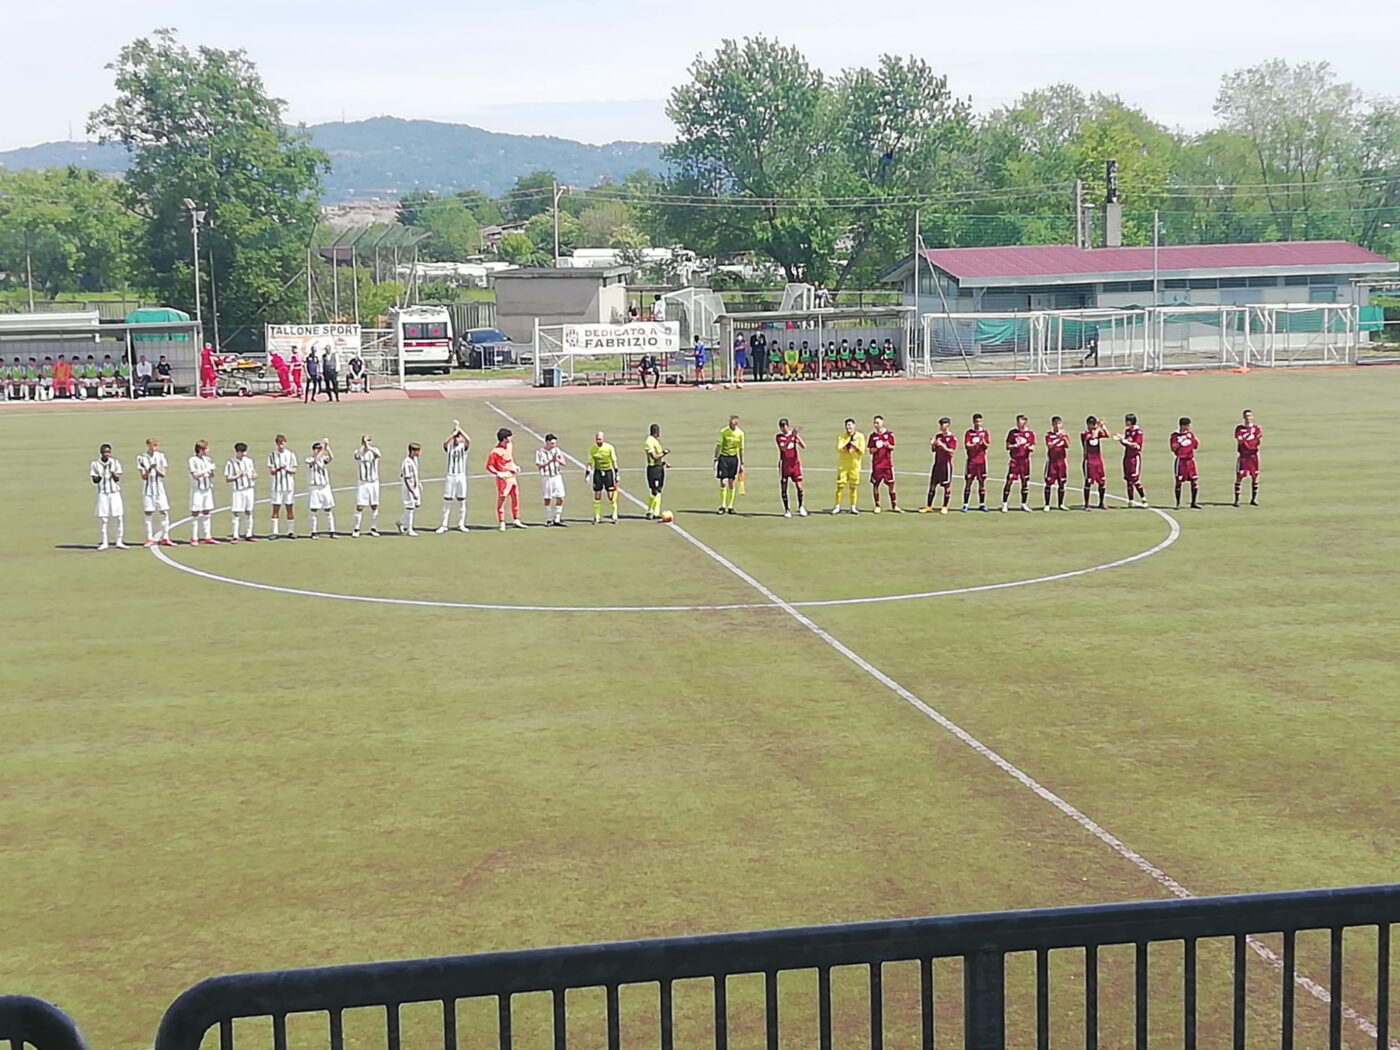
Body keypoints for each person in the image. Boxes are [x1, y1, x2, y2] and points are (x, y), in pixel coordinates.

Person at [485, 428, 526, 532]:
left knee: (515, 497)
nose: (511, 439)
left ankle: (516, 519)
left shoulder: (510, 446)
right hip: (504, 479)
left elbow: (510, 459)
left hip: (512, 476)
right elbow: (489, 466)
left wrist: (515, 466)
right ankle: (502, 522)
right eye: (509, 437)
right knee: (502, 499)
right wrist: (498, 473)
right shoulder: (495, 452)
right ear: (504, 439)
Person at [136, 437, 172, 546]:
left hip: (159, 488)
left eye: (156, 445)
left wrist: (156, 469)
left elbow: (164, 474)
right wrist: (149, 469)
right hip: (148, 489)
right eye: (153, 445)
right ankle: (149, 538)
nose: (155, 447)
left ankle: (165, 537)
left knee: (164, 511)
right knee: (148, 512)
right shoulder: (141, 458)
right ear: (148, 445)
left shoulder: (161, 456)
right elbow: (143, 476)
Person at [90, 443, 127, 550]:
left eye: (109, 452)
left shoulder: (115, 463)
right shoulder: (95, 464)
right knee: (104, 518)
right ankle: (104, 542)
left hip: (114, 492)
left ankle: (119, 541)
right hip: (103, 493)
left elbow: (117, 479)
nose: (107, 454)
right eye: (105, 452)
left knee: (119, 517)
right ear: (101, 453)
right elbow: (94, 480)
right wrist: (100, 476)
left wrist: (111, 472)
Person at [438, 421, 471, 534]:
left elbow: (469, 441)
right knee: (447, 500)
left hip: (461, 476)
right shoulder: (450, 447)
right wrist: (453, 434)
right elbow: (444, 443)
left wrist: (460, 429)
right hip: (450, 476)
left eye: (458, 437)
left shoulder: (463, 447)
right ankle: (444, 525)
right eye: (455, 438)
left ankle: (461, 524)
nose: (457, 439)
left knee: (462, 501)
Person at [224, 442, 258, 542]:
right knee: (236, 512)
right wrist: (238, 476)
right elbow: (227, 478)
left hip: (249, 489)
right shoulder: (231, 463)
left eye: (244, 452)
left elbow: (254, 473)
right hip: (238, 490)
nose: (243, 454)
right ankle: (235, 535)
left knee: (249, 511)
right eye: (241, 452)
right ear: (237, 452)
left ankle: (249, 534)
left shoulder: (249, 461)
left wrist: (254, 476)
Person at [1001, 414, 1036, 512]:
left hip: (1025, 461)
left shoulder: (1030, 433)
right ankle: (1005, 504)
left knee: (1025, 483)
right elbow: (1007, 446)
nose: (1018, 423)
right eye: (1017, 421)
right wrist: (1015, 446)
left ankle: (1024, 504)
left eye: (1020, 421)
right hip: (1015, 460)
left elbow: (1033, 447)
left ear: (1025, 422)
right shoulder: (1012, 433)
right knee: (1009, 481)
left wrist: (1029, 447)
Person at [267, 433, 298, 538]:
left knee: (289, 507)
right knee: (276, 508)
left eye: (283, 443)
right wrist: (279, 469)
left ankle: (290, 531)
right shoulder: (272, 455)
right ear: (276, 444)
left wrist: (287, 469)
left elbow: (294, 470)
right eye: (279, 443)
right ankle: (275, 532)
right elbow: (271, 471)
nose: (281, 445)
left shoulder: (291, 455)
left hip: (288, 486)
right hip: (277, 486)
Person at [586, 430, 621, 524]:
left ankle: (614, 515)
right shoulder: (592, 449)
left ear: (603, 439)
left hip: (608, 472)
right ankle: (597, 516)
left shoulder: (609, 448)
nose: (598, 441)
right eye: (597, 439)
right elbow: (589, 463)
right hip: (598, 473)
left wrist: (617, 474)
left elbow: (614, 461)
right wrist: (587, 475)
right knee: (597, 495)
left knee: (610, 496)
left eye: (600, 439)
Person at [188, 440, 218, 545]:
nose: (208, 451)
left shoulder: (207, 459)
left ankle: (207, 536)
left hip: (207, 488)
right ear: (200, 449)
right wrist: (206, 470)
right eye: (206, 449)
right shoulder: (193, 460)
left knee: (207, 512)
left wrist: (212, 470)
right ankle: (194, 537)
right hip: (197, 489)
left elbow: (212, 475)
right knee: (195, 512)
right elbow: (195, 475)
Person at [775, 418, 807, 518]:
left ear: (788, 426)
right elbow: (783, 447)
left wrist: (796, 436)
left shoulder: (793, 436)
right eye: (781, 427)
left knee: (799, 487)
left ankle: (801, 507)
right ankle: (787, 510)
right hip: (785, 465)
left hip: (795, 465)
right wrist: (791, 436)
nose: (783, 429)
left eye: (785, 427)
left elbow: (803, 446)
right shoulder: (779, 437)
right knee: (784, 488)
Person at [833, 418, 865, 514]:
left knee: (853, 487)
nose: (848, 427)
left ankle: (853, 506)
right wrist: (848, 444)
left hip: (854, 466)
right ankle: (837, 506)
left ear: (854, 426)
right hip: (843, 466)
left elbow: (862, 451)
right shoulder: (842, 437)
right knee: (840, 486)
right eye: (847, 425)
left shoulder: (860, 437)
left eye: (850, 425)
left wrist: (855, 446)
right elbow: (839, 449)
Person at [714, 414, 745, 515]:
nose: (731, 425)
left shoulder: (740, 434)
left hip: (733, 459)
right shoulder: (724, 432)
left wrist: (742, 463)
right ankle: (722, 506)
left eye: (733, 423)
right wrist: (716, 458)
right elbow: (719, 445)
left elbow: (741, 449)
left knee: (731, 481)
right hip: (723, 458)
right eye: (730, 423)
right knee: (723, 481)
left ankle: (730, 506)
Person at [306, 440, 337, 539]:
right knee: (314, 510)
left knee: (328, 509)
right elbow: (314, 461)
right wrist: (322, 449)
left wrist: (327, 448)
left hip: (325, 487)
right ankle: (313, 532)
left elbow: (331, 458)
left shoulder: (323, 459)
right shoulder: (309, 459)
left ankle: (332, 531)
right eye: (317, 448)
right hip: (315, 487)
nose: (319, 450)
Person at [536, 432, 569, 526]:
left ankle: (557, 519)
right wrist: (550, 461)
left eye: (554, 443)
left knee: (560, 497)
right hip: (547, 477)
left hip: (557, 476)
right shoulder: (540, 452)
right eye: (552, 443)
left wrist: (557, 460)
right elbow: (539, 465)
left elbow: (564, 463)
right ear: (547, 442)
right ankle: (548, 519)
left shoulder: (557, 450)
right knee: (547, 498)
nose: (554, 445)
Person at [868, 415, 899, 512]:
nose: (876, 425)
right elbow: (870, 451)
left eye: (878, 422)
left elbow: (893, 447)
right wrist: (877, 447)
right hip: (877, 465)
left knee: (891, 485)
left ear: (882, 422)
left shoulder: (889, 434)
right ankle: (877, 505)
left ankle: (894, 505)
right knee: (876, 485)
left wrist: (887, 445)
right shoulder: (873, 436)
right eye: (875, 423)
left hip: (887, 465)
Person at [353, 435, 382, 537]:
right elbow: (357, 456)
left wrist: (368, 446)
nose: (367, 442)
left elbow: (378, 455)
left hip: (373, 482)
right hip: (363, 483)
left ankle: (373, 528)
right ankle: (356, 529)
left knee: (374, 505)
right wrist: (363, 445)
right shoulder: (359, 451)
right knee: (360, 506)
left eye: (369, 440)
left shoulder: (374, 450)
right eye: (365, 440)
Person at [962, 413, 991, 512]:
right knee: (968, 483)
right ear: (973, 422)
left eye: (980, 421)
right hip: (971, 462)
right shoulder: (969, 433)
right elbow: (967, 445)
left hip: (981, 462)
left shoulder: (985, 432)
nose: (978, 423)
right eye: (976, 421)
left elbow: (987, 445)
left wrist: (983, 442)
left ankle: (982, 504)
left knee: (982, 483)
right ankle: (965, 505)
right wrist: (974, 444)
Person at [1171, 417, 1201, 509]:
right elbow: (1173, 448)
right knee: (1179, 482)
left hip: (1190, 461)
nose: (1188, 427)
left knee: (1194, 481)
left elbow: (1195, 446)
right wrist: (1179, 443)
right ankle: (1178, 503)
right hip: (1181, 461)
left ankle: (1194, 502)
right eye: (1187, 426)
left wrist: (1196, 441)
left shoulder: (1190, 434)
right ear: (1182, 426)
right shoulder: (1175, 436)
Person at [1234, 409, 1262, 507]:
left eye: (1249, 416)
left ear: (1252, 417)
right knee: (1239, 477)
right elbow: (1240, 440)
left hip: (1253, 456)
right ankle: (1237, 500)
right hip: (1243, 456)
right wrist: (1245, 438)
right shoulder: (1239, 429)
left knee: (1255, 477)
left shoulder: (1256, 428)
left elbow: (1258, 439)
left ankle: (1254, 499)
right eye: (1246, 416)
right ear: (1243, 417)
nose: (1248, 418)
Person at [1042, 416, 1071, 511]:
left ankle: (1061, 503)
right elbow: (1049, 446)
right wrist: (1059, 439)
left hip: (1061, 462)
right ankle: (1047, 504)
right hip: (1052, 462)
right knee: (1049, 483)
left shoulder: (1064, 434)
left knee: (1062, 483)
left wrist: (1064, 438)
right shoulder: (1048, 435)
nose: (1057, 426)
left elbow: (1068, 445)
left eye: (1059, 424)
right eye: (1055, 424)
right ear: (1052, 424)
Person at [1081, 416, 1109, 511]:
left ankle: (1101, 502)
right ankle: (1086, 504)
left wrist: (1103, 426)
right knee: (1088, 482)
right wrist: (1097, 428)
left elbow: (1107, 435)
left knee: (1102, 481)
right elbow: (1092, 437)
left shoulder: (1098, 432)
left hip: (1098, 460)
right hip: (1089, 461)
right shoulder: (1085, 434)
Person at [1120, 414, 1147, 507]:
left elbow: (1136, 445)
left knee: (1135, 480)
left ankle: (1143, 498)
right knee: (1128, 480)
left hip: (1134, 458)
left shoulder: (1138, 432)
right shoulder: (1127, 431)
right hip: (1127, 457)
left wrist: (1125, 441)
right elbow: (1126, 444)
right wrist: (1121, 440)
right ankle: (1130, 500)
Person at [396, 443, 423, 536]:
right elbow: (406, 479)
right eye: (417, 451)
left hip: (414, 486)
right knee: (410, 507)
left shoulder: (415, 460)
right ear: (412, 451)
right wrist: (412, 491)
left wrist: (418, 484)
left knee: (416, 505)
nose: (419, 453)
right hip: (408, 488)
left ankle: (401, 522)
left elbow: (415, 474)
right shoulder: (406, 463)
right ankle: (410, 529)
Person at [643, 424, 667, 520]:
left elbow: (658, 458)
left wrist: (664, 463)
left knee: (659, 489)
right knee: (654, 490)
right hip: (653, 469)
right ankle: (649, 511)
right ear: (657, 433)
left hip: (659, 467)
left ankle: (656, 512)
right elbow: (654, 457)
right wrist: (665, 452)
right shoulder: (649, 442)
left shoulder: (654, 441)